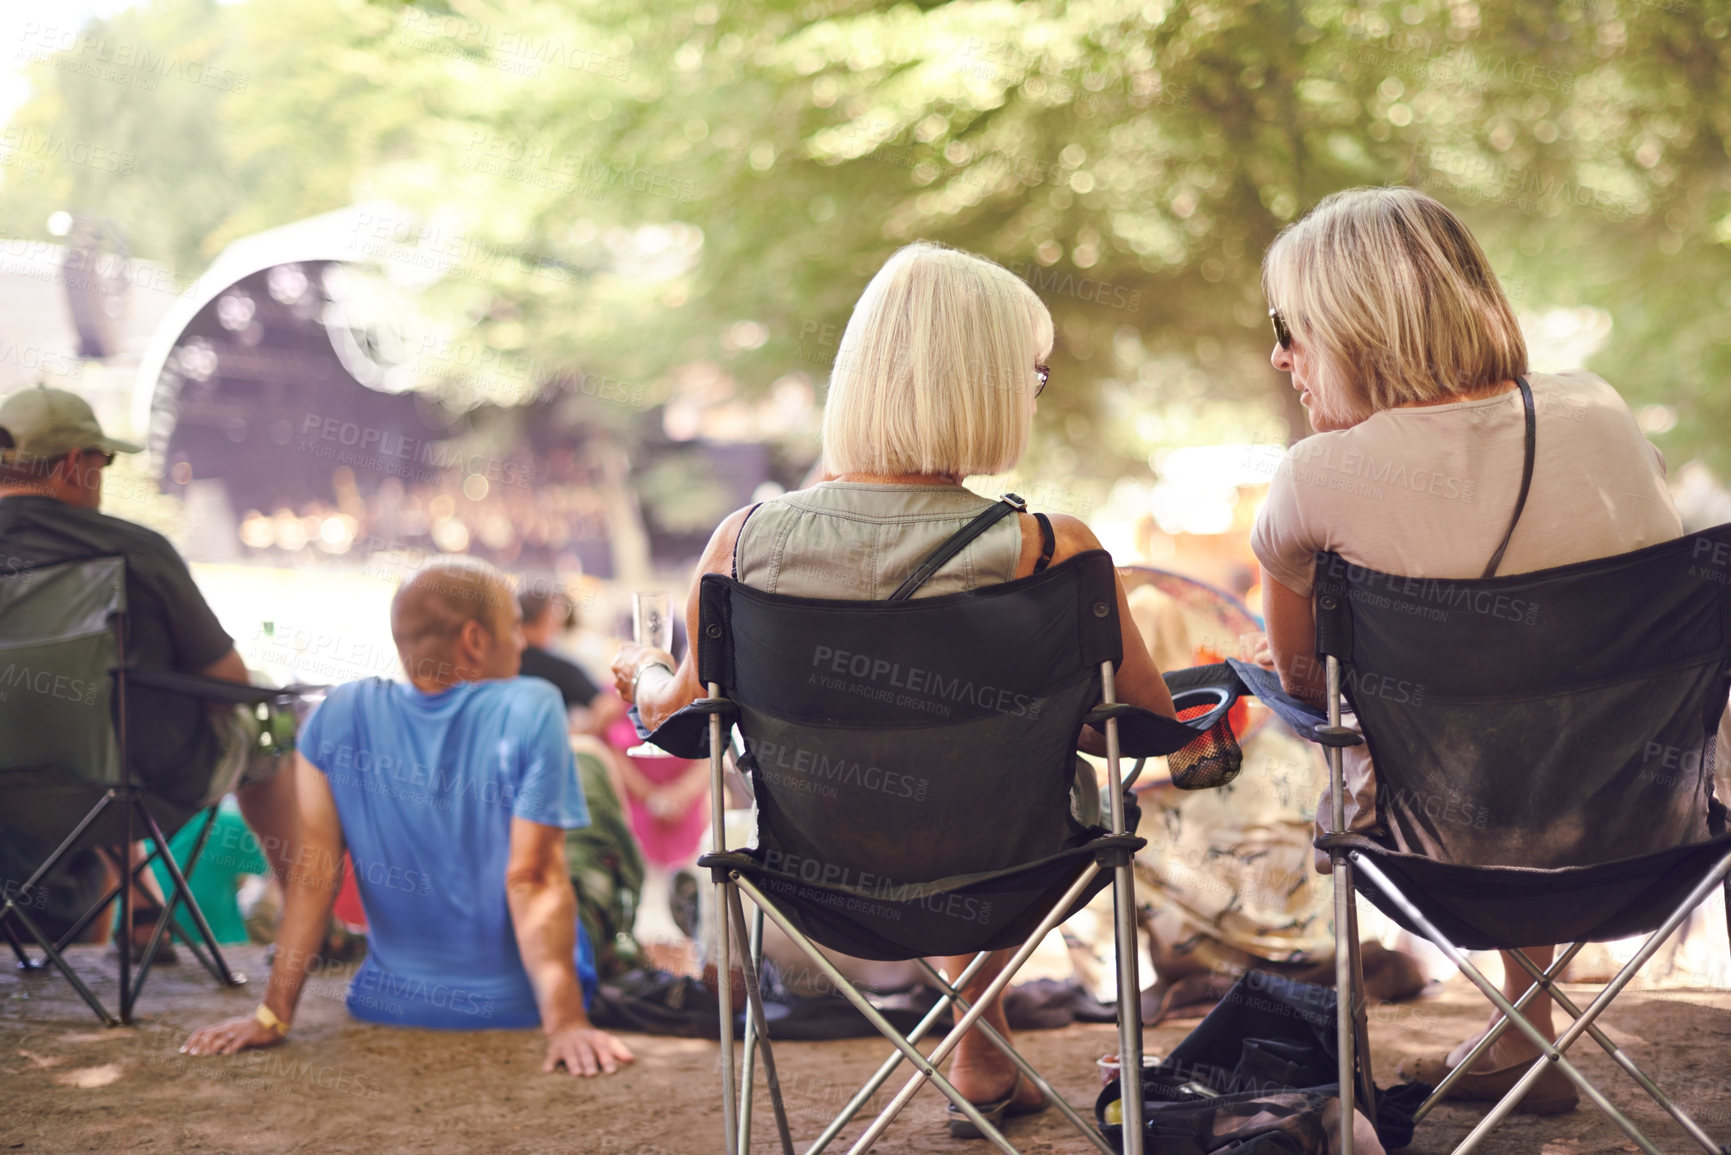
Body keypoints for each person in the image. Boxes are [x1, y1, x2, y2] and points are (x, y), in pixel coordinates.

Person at [611, 241, 1176, 1138]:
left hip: (818, 876)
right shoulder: (1052, 550)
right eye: (1027, 379)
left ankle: (978, 1042)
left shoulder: (745, 544)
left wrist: (639, 677)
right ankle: (978, 1037)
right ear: (985, 390)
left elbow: (682, 719)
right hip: (1018, 870)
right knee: (987, 786)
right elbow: (1139, 727)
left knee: (939, 776)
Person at [1250, 187, 1686, 1114]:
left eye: (1289, 325)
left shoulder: (1315, 476)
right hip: (1644, 823)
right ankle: (1525, 1027)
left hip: (1436, 841)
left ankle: (1472, 1046)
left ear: (1351, 320)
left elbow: (1303, 683)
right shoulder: (1600, 413)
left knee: (1384, 721)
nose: (1278, 353)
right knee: (1524, 704)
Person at [181, 558, 635, 1078]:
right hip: (521, 1002)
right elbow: (532, 877)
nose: (522, 643)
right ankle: (626, 935)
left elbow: (313, 875)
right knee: (597, 801)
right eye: (512, 626)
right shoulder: (532, 706)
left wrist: (272, 1014)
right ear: (474, 639)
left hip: (388, 1000)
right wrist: (566, 1022)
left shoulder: (339, 713)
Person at [0, 383, 298, 953]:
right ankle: (300, 922)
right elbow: (228, 688)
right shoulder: (137, 551)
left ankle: (142, 904)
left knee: (90, 728)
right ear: (72, 465)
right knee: (266, 725)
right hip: (139, 791)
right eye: (103, 461)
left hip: (14, 801)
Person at [517, 586, 624, 737]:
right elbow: (609, 705)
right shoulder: (559, 668)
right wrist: (583, 733)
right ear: (546, 617)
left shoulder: (497, 665)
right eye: (555, 613)